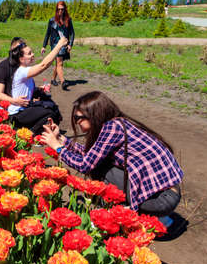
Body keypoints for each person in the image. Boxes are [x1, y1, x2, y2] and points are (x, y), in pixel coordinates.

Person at [40, 91, 183, 220]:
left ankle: (127, 214)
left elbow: (85, 165)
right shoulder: (117, 123)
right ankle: (134, 210)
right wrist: (61, 139)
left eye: (78, 117)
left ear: (94, 115)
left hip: (161, 200)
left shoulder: (112, 128)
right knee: (99, 163)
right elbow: (90, 155)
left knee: (98, 168)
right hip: (165, 194)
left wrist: (57, 147)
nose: (76, 122)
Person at [7, 37, 67, 134]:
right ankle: (30, 133)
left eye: (32, 52)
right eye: (29, 53)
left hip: (24, 110)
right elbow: (43, 65)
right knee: (50, 112)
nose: (33, 55)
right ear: (21, 59)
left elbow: (24, 89)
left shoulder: (24, 70)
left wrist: (39, 89)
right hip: (17, 115)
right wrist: (59, 45)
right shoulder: (21, 71)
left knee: (52, 108)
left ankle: (31, 130)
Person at [41, 1, 74, 91]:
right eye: (58, 9)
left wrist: (70, 44)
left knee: (58, 63)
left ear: (64, 10)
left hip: (64, 44)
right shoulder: (52, 20)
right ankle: (63, 82)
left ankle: (53, 79)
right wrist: (44, 46)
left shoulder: (68, 20)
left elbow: (72, 33)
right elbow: (47, 34)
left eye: (62, 9)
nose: (60, 11)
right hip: (55, 44)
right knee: (60, 63)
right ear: (56, 10)